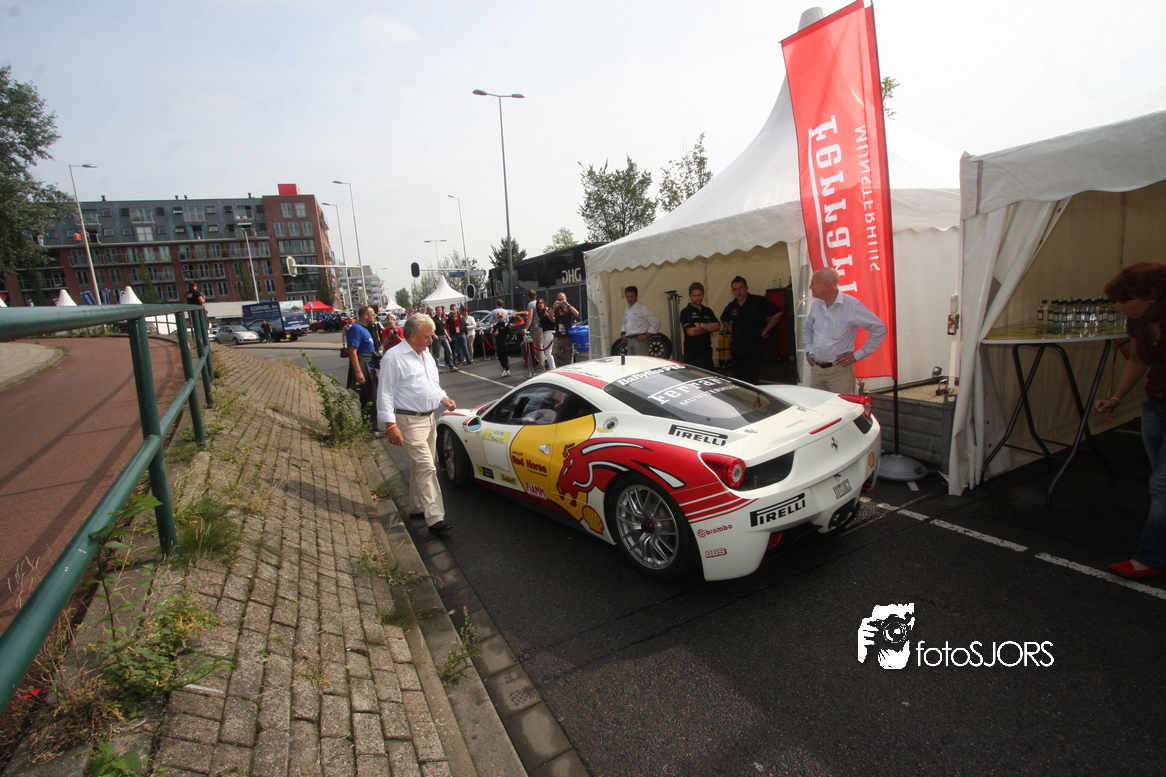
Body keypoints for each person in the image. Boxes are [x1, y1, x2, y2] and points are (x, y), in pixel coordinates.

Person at [1094, 263, 1166, 579]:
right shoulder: (1138, 322)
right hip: (1155, 406)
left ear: (1153, 296)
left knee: (1161, 484)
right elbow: (1137, 360)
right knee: (1160, 480)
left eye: (1126, 300)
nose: (1119, 306)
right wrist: (1117, 398)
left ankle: (1148, 559)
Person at [376, 313, 457, 537]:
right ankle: (435, 518)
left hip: (429, 418)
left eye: (432, 336)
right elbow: (385, 394)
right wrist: (390, 425)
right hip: (409, 421)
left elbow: (432, 384)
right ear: (411, 336)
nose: (431, 340)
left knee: (421, 465)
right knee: (427, 467)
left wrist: (443, 398)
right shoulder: (393, 358)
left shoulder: (426, 355)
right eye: (427, 336)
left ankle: (416, 507)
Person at [802, 267, 886, 394]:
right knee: (818, 405)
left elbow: (879, 328)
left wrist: (858, 355)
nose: (810, 287)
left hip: (839, 372)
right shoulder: (817, 305)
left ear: (826, 284)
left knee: (841, 404)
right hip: (817, 369)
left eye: (813, 283)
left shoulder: (851, 305)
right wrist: (808, 350)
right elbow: (808, 328)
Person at [720, 276, 781, 384]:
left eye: (741, 288)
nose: (738, 292)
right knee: (738, 381)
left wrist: (766, 330)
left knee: (751, 380)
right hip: (738, 349)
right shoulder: (732, 306)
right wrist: (732, 329)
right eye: (735, 289)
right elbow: (724, 319)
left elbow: (777, 313)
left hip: (754, 348)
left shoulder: (757, 301)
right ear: (732, 291)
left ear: (746, 288)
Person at [346, 305, 379, 428]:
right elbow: (352, 351)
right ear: (365, 316)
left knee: (371, 399)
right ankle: (371, 429)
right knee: (369, 399)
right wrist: (358, 372)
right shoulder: (356, 329)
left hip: (370, 366)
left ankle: (370, 427)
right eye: (372, 315)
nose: (374, 317)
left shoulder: (365, 328)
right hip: (364, 368)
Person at [679, 282, 720, 370]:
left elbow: (717, 326)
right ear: (690, 295)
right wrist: (709, 327)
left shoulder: (708, 311)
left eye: (699, 295)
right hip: (691, 356)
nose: (697, 298)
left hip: (707, 355)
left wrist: (701, 325)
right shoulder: (686, 312)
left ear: (703, 294)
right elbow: (691, 332)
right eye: (694, 296)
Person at [620, 286, 661, 356]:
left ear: (636, 296)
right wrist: (623, 333)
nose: (630, 299)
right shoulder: (627, 308)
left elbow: (656, 322)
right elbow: (625, 322)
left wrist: (647, 335)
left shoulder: (643, 308)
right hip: (629, 340)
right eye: (628, 297)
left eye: (632, 297)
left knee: (642, 361)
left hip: (639, 341)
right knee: (630, 361)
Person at [551, 292, 580, 367]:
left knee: (568, 355)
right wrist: (553, 307)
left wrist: (567, 304)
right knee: (554, 353)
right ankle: (562, 361)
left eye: (562, 299)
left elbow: (577, 314)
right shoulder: (556, 308)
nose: (561, 301)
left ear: (566, 299)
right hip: (558, 335)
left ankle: (567, 366)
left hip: (567, 335)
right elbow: (550, 317)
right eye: (559, 299)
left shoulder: (569, 308)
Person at [432, 305, 458, 371]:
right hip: (438, 337)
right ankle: (437, 368)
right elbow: (431, 328)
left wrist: (448, 336)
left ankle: (451, 366)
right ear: (436, 311)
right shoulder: (433, 319)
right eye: (438, 310)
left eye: (440, 310)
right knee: (437, 354)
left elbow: (444, 329)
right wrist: (434, 335)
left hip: (444, 336)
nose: (439, 311)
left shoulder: (443, 319)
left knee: (449, 351)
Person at [533, 297, 556, 370]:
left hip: (550, 332)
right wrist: (538, 324)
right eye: (538, 303)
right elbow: (542, 324)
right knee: (546, 352)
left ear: (544, 303)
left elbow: (553, 320)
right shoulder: (540, 313)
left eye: (541, 303)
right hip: (544, 332)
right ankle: (550, 366)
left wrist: (547, 313)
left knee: (548, 352)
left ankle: (553, 368)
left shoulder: (548, 310)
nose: (540, 305)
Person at [525, 289, 545, 369]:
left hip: (535, 327)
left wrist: (526, 328)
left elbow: (530, 317)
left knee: (535, 347)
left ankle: (541, 364)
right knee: (539, 346)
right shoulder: (539, 303)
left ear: (528, 297)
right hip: (541, 327)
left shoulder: (530, 304)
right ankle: (543, 360)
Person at [492, 309, 512, 377]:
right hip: (498, 342)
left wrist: (507, 341)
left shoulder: (506, 325)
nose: (500, 318)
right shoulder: (496, 325)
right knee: (500, 356)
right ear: (497, 318)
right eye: (499, 317)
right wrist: (494, 334)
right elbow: (493, 333)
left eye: (501, 317)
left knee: (504, 356)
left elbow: (510, 334)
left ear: (504, 317)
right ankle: (504, 367)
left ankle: (507, 369)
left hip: (504, 342)